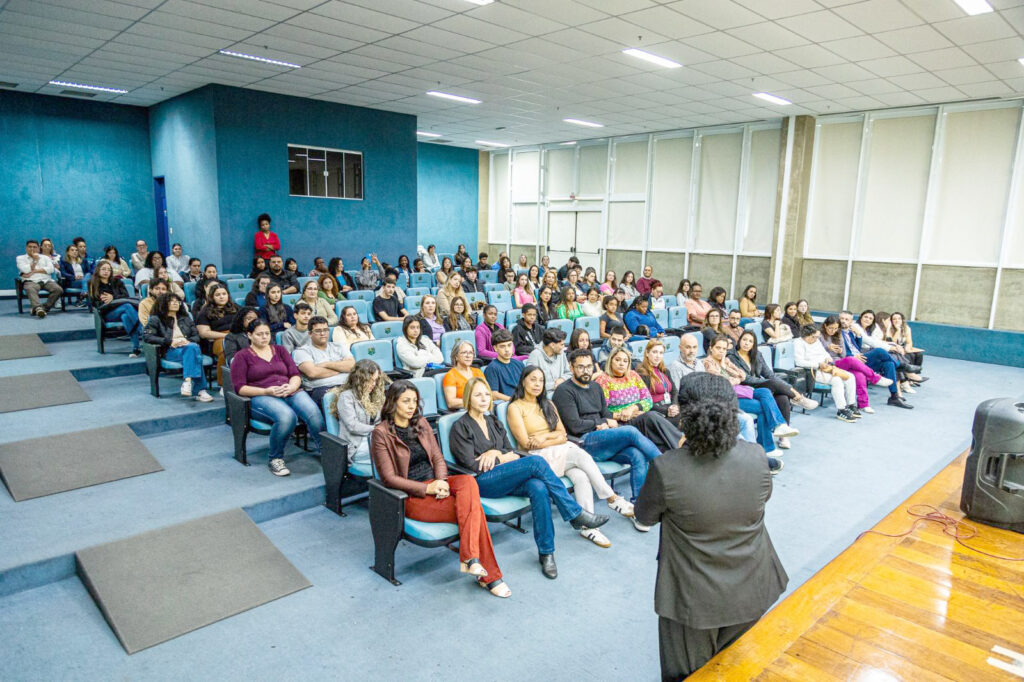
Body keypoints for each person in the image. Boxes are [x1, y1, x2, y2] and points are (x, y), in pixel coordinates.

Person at [634, 390, 788, 682]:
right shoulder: (756, 455)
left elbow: (644, 516)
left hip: (693, 597)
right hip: (754, 581)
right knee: (736, 665)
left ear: (685, 428)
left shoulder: (667, 467)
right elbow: (762, 497)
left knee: (687, 673)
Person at [451, 378, 610, 579]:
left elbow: (511, 453)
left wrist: (495, 454)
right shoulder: (460, 426)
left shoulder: (493, 421)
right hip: (483, 482)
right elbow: (472, 465)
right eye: (477, 395)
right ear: (468, 398)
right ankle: (574, 513)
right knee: (536, 462)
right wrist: (500, 456)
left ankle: (546, 552)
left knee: (538, 487)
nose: (483, 399)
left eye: (486, 394)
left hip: (506, 474)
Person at [372, 380, 509, 597]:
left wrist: (442, 481)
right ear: (392, 403)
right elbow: (389, 478)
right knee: (475, 511)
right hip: (412, 495)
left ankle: (471, 559)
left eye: (414, 401)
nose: (411, 406)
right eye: (406, 401)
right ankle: (487, 574)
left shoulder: (421, 423)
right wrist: (427, 489)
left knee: (468, 482)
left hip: (437, 483)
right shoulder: (381, 433)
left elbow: (437, 457)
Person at [508, 367, 634, 548]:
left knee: (581, 476)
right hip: (537, 458)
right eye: (533, 379)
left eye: (541, 380)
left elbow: (563, 434)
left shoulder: (548, 404)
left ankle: (588, 527)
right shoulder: (515, 407)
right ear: (523, 381)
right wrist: (553, 439)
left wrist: (544, 437)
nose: (537, 384)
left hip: (558, 450)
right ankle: (611, 498)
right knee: (579, 454)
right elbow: (526, 443)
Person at [554, 349, 662, 517]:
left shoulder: (596, 387)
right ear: (571, 367)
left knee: (637, 455)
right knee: (630, 432)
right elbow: (575, 426)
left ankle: (639, 508)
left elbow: (606, 414)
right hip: (583, 443)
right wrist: (601, 422)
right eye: (580, 367)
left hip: (603, 439)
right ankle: (665, 467)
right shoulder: (564, 391)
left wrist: (608, 420)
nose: (586, 371)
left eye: (589, 367)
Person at [231, 319, 323, 477]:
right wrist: (266, 391)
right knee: (287, 417)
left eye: (267, 333)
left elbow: (295, 374)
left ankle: (326, 452)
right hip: (261, 395)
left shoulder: (280, 350)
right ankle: (275, 458)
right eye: (259, 334)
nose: (264, 337)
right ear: (249, 335)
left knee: (313, 413)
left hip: (289, 390)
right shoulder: (242, 356)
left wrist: (292, 387)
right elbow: (240, 388)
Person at [705, 334, 800, 453]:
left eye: (724, 349)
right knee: (763, 407)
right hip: (725, 399)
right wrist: (733, 377)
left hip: (738, 393)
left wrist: (726, 367)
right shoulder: (707, 363)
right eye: (718, 348)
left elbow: (742, 375)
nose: (721, 351)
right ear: (711, 348)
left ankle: (779, 426)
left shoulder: (726, 360)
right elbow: (723, 382)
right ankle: (768, 446)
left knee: (765, 391)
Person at [730, 330, 818, 447]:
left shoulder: (757, 355)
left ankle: (783, 436)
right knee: (772, 383)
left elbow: (769, 374)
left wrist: (783, 387)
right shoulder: (732, 356)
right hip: (745, 388)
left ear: (753, 344)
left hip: (760, 386)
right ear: (739, 340)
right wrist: (770, 383)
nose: (746, 343)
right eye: (744, 340)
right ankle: (799, 398)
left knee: (782, 397)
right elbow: (746, 379)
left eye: (750, 341)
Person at [594, 347, 683, 452]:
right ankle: (681, 444)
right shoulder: (603, 380)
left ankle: (675, 451)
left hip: (638, 416)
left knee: (658, 430)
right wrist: (624, 415)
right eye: (617, 360)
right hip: (620, 422)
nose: (621, 364)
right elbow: (602, 411)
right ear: (610, 361)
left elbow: (648, 400)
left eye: (625, 361)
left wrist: (633, 408)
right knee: (651, 416)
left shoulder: (633, 375)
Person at [143, 293, 214, 402]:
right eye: (171, 301)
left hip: (188, 347)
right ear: (163, 303)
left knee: (192, 348)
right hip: (171, 350)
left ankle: (187, 381)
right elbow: (148, 337)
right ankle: (200, 391)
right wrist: (169, 341)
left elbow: (196, 336)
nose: (175, 303)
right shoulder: (156, 319)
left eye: (177, 301)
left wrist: (187, 341)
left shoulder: (186, 318)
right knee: (196, 354)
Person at [819, 315, 896, 414]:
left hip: (841, 361)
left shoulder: (838, 336)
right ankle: (875, 378)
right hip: (829, 364)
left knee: (860, 375)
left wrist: (840, 351)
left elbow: (843, 355)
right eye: (830, 328)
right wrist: (828, 347)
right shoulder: (819, 336)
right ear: (825, 325)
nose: (833, 331)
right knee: (851, 359)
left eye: (835, 328)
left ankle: (864, 404)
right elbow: (817, 351)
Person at [836, 311, 910, 408]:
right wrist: (853, 356)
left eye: (847, 319)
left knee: (889, 364)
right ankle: (900, 365)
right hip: (851, 361)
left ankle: (894, 396)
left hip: (861, 358)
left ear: (851, 321)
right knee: (879, 351)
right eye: (842, 319)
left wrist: (858, 335)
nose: (844, 321)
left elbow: (856, 347)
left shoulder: (850, 332)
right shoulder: (837, 332)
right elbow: (840, 351)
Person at [328, 359, 387, 470]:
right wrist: (378, 429)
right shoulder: (346, 397)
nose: (373, 384)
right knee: (392, 451)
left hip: (373, 438)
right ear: (359, 379)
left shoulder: (375, 396)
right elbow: (352, 426)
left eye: (375, 380)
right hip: (357, 445)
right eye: (370, 380)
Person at [794, 325, 859, 423]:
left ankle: (851, 405)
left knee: (850, 376)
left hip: (826, 368)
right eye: (815, 337)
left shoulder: (816, 341)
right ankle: (841, 410)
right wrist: (818, 364)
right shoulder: (798, 343)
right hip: (812, 371)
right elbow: (799, 362)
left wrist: (828, 358)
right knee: (837, 380)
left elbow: (824, 353)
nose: (817, 339)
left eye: (817, 337)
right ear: (807, 336)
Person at [293, 316, 354, 408]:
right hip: (322, 388)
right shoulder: (302, 351)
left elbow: (352, 366)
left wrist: (326, 364)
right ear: (310, 334)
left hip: (347, 383)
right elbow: (313, 373)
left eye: (325, 330)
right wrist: (341, 367)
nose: (322, 333)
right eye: (318, 331)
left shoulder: (339, 346)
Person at [89, 260, 141, 357]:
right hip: (106, 313)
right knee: (127, 306)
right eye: (103, 269)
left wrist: (113, 297)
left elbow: (125, 296)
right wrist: (114, 300)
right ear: (98, 270)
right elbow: (97, 303)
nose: (106, 271)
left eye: (109, 270)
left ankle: (136, 348)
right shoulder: (94, 283)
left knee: (126, 316)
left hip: (121, 309)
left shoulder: (117, 281)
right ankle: (144, 332)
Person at [195, 283, 238, 385]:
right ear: (212, 297)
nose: (221, 297)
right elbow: (204, 333)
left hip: (237, 335)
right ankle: (224, 385)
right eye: (218, 295)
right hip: (218, 338)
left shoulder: (236, 307)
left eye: (224, 294)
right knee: (226, 351)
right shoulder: (204, 312)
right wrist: (226, 336)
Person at [637, 339, 682, 428]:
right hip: (656, 410)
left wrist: (674, 405)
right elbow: (644, 401)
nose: (658, 356)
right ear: (647, 353)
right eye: (655, 352)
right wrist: (666, 411)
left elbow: (674, 391)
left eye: (661, 353)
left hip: (669, 406)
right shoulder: (642, 373)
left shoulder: (665, 371)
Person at [17, 239, 62, 318]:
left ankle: (43, 308)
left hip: (46, 280)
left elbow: (51, 269)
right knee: (30, 288)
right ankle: (38, 308)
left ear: (38, 248)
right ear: (26, 248)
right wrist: (35, 260)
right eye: (30, 247)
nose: (32, 249)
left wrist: (33, 271)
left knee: (58, 290)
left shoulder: (45, 257)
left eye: (35, 247)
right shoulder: (20, 258)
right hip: (31, 281)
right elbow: (25, 270)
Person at [442, 340, 488, 409]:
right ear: (456, 356)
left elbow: (487, 393)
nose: (468, 356)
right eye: (464, 352)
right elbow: (451, 403)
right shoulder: (450, 376)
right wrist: (474, 402)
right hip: (464, 411)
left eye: (471, 353)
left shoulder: (478, 372)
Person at [527, 328, 571, 397]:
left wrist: (562, 379)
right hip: (542, 395)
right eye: (561, 344)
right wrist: (554, 385)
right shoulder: (535, 356)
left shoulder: (561, 353)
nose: (564, 347)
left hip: (561, 392)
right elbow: (531, 382)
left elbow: (569, 373)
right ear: (552, 345)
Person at [483, 329, 524, 400]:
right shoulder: (492, 368)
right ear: (495, 348)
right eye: (502, 346)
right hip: (507, 403)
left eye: (509, 345)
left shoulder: (520, 364)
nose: (507, 350)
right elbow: (493, 394)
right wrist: (514, 400)